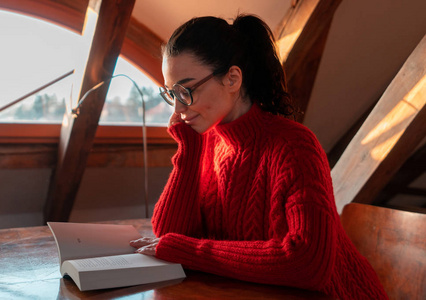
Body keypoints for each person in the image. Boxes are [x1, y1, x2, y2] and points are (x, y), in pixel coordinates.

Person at [130, 14, 388, 300]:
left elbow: (307, 263)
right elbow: (168, 235)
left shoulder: (294, 147)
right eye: (171, 93)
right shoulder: (206, 142)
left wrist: (191, 251)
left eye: (186, 91)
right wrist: (189, 151)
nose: (177, 109)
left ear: (232, 78)